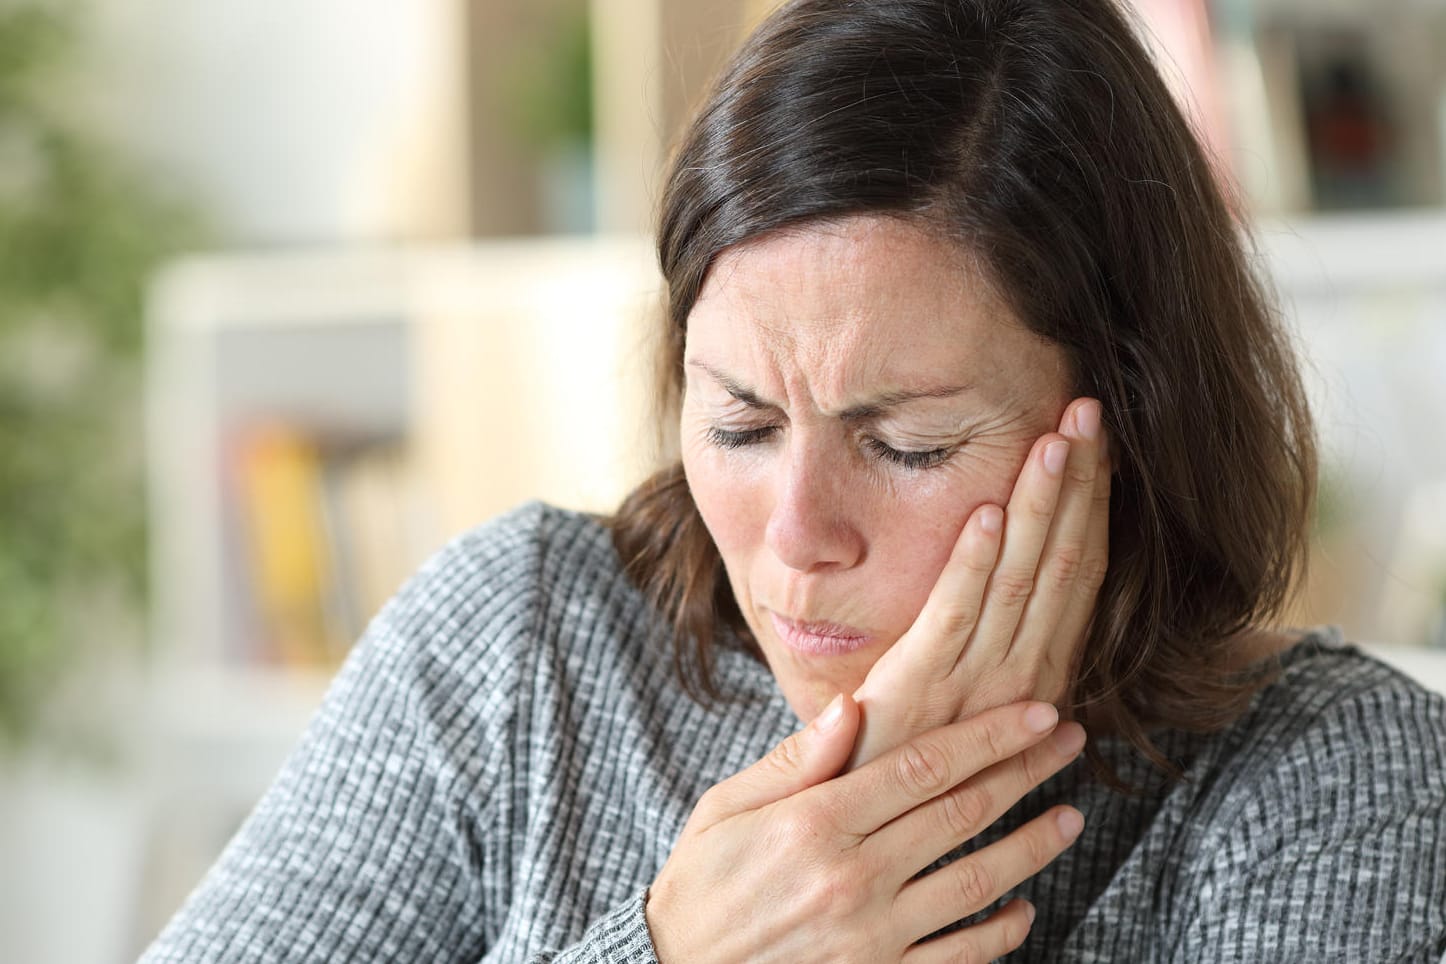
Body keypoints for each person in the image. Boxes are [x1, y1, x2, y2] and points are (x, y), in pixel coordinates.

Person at [141, 0, 1446, 961]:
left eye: (908, 444)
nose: (796, 535)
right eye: (741, 422)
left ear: (1133, 418)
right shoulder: (517, 640)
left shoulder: (1331, 782)